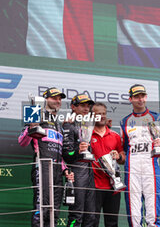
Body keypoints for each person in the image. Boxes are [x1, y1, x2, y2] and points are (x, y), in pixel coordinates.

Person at [18, 87, 74, 227]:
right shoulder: (37, 114)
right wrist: (32, 127)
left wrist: (65, 169)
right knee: (41, 210)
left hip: (56, 172)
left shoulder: (58, 123)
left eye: (60, 98)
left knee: (54, 213)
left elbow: (59, 152)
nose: (58, 101)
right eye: (54, 98)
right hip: (42, 167)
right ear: (45, 99)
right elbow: (22, 142)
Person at [120, 84, 160, 227]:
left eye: (142, 96)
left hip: (151, 167)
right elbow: (124, 150)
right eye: (136, 96)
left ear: (146, 97)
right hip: (132, 170)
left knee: (152, 210)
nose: (140, 99)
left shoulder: (158, 118)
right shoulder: (124, 122)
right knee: (133, 211)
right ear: (130, 99)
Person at [62, 94, 96, 227]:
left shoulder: (87, 125)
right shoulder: (68, 125)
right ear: (73, 107)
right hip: (76, 172)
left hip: (89, 172)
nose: (86, 108)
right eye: (82, 105)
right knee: (76, 214)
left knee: (91, 216)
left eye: (88, 106)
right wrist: (77, 151)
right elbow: (66, 154)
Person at [91, 102, 125, 227]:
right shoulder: (86, 134)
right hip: (93, 186)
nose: (102, 116)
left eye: (104, 113)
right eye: (98, 113)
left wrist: (119, 156)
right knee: (92, 222)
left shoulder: (115, 136)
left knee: (112, 223)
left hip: (113, 186)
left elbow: (123, 158)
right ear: (92, 116)